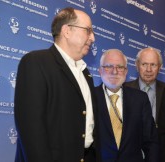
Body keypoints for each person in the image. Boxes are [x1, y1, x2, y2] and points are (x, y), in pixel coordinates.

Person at [14, 7, 100, 162]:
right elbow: (31, 130)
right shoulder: (36, 62)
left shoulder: (85, 72)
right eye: (88, 30)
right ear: (67, 31)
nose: (93, 38)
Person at [94, 49, 159, 162]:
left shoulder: (140, 99)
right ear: (100, 71)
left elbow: (151, 142)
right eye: (109, 66)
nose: (114, 72)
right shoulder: (90, 97)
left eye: (120, 67)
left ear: (126, 71)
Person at [124, 47, 165, 126]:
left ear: (160, 67)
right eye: (144, 64)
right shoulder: (124, 89)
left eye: (153, 65)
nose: (148, 69)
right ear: (137, 66)